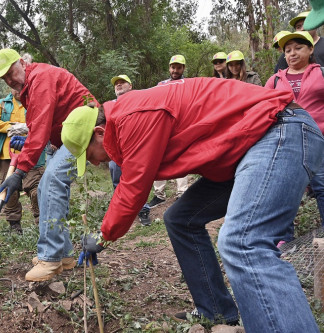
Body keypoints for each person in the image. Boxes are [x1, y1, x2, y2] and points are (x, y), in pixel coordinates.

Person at [62, 78, 323, 332]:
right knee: (179, 219)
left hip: (278, 129)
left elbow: (134, 186)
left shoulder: (133, 115)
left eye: (89, 155)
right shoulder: (126, 117)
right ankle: (216, 311)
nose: (95, 163)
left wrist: (104, 235)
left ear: (99, 133)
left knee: (243, 242)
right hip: (242, 150)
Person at [0, 48, 98, 281]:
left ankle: (50, 259)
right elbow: (38, 129)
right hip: (70, 134)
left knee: (51, 182)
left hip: (86, 128)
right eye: (5, 78)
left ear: (21, 63)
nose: (10, 80)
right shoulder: (29, 89)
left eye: (11, 72)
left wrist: (19, 172)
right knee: (44, 188)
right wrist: (26, 159)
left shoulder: (41, 79)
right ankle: (64, 254)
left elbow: (38, 132)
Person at [266, 31, 324, 246]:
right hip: (287, 142)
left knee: (322, 187)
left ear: (310, 50)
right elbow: (265, 110)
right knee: (285, 189)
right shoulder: (274, 80)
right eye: (287, 50)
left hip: (319, 140)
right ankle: (284, 237)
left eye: (298, 48)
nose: (292, 53)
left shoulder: (322, 74)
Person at [0, 88, 46, 233]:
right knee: (9, 191)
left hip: (32, 154)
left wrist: (27, 130)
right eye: (14, 88)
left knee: (36, 187)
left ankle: (41, 221)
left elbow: (43, 124)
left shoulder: (35, 103)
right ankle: (14, 224)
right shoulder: (2, 104)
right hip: (8, 155)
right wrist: (12, 127)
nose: (18, 90)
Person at [106, 75, 151, 225]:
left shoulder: (139, 99)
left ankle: (143, 209)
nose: (118, 85)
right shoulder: (109, 105)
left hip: (136, 148)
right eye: (116, 84)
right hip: (117, 150)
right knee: (117, 180)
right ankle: (123, 210)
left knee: (138, 180)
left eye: (122, 83)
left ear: (130, 86)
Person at [150, 55, 190, 207]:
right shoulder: (161, 84)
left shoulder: (188, 83)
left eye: (178, 67)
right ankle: (159, 194)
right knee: (159, 156)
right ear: (169, 68)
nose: (175, 70)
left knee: (181, 156)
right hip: (164, 124)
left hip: (182, 123)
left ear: (183, 68)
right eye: (173, 67)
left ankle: (182, 193)